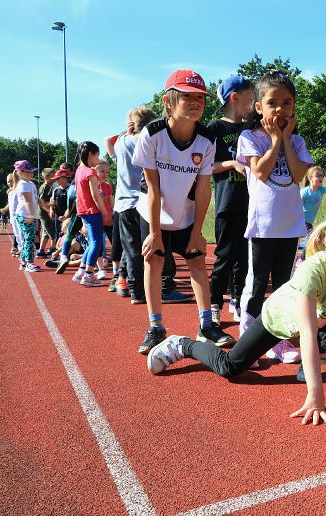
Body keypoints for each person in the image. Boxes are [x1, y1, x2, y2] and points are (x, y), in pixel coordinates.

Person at [146, 201, 326, 426]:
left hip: (321, 319)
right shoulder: (314, 271)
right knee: (230, 368)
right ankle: (183, 344)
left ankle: (307, 366)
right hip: (279, 320)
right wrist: (315, 396)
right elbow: (307, 333)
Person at [133, 69, 231, 354]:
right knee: (154, 261)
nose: (196, 103)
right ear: (168, 101)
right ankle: (155, 327)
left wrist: (197, 232)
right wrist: (154, 233)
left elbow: (203, 188)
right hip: (153, 209)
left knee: (197, 261)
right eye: (187, 97)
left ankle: (207, 325)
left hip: (186, 211)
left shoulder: (207, 139)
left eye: (200, 98)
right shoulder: (152, 134)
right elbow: (153, 187)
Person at [236, 70, 313, 364]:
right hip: (262, 226)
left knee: (283, 287)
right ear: (259, 107)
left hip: (290, 226)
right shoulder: (249, 137)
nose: (280, 109)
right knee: (256, 285)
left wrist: (285, 139)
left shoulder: (298, 141)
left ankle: (277, 341)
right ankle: (248, 340)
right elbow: (260, 171)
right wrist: (274, 140)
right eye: (272, 103)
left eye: (287, 102)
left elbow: (297, 174)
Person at [207, 75, 255, 325]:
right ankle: (214, 304)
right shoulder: (215, 128)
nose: (253, 104)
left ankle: (238, 300)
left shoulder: (251, 127)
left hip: (252, 204)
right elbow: (204, 165)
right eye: (250, 99)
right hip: (227, 204)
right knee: (225, 256)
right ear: (234, 98)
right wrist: (231, 163)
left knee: (245, 259)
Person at [105, 105, 159, 304]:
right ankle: (141, 289)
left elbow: (106, 140)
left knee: (131, 248)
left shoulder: (121, 142)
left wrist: (124, 132)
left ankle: (130, 286)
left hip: (124, 203)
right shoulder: (148, 140)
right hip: (143, 200)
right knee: (144, 249)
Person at [72, 142, 112, 287]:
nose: (98, 159)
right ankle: (89, 275)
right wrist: (105, 213)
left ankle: (81, 271)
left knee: (92, 242)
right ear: (90, 154)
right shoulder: (90, 172)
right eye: (97, 155)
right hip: (92, 211)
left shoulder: (79, 170)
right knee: (97, 243)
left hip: (83, 211)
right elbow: (96, 195)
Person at [13, 160, 46, 272]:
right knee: (30, 239)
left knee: (29, 238)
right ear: (20, 173)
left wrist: (45, 205)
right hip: (25, 215)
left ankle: (23, 262)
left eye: (32, 171)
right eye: (28, 171)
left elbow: (35, 199)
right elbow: (27, 201)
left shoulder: (30, 184)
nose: (31, 173)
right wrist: (31, 214)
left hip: (28, 215)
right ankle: (29, 263)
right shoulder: (23, 184)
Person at [94, 159, 114, 280]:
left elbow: (111, 204)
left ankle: (119, 269)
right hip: (96, 218)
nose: (105, 174)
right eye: (102, 171)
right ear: (94, 171)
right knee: (98, 244)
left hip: (108, 219)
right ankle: (101, 269)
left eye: (107, 171)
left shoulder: (107, 186)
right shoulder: (91, 185)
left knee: (115, 242)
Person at [300, 165, 326, 235]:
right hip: (301, 220)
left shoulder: (321, 190)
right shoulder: (304, 192)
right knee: (310, 237)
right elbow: (295, 205)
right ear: (310, 178)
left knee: (308, 237)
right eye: (318, 175)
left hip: (309, 221)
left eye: (322, 175)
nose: (321, 177)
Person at [36, 168, 57, 258]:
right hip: (44, 214)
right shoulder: (44, 187)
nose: (55, 177)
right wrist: (49, 210)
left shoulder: (50, 186)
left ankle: (41, 251)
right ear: (46, 177)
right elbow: (41, 202)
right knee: (52, 232)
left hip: (46, 213)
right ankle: (52, 250)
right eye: (53, 176)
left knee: (46, 232)